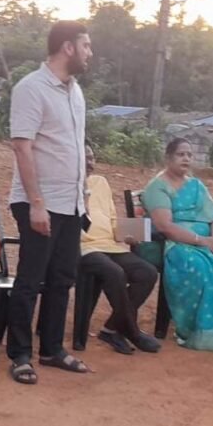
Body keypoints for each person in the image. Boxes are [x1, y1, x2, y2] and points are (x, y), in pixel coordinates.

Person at [5, 20, 93, 384]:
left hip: (70, 203)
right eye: (86, 46)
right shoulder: (31, 88)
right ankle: (20, 355)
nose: (90, 53)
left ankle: (52, 349)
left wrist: (83, 190)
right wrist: (36, 203)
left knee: (62, 279)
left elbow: (73, 144)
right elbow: (22, 147)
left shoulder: (75, 91)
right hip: (40, 203)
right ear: (68, 47)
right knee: (31, 280)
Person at [142, 138, 213, 352]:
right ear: (168, 158)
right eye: (180, 154)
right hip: (177, 243)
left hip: (208, 241)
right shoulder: (157, 187)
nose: (186, 158)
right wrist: (201, 240)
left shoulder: (196, 185)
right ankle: (198, 328)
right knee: (201, 267)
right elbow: (165, 226)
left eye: (189, 154)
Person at [80, 146, 161, 354]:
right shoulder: (66, 185)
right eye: (85, 158)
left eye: (92, 158)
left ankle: (112, 328)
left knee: (147, 272)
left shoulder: (100, 182)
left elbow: (113, 221)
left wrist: (131, 233)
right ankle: (132, 331)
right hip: (83, 247)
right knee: (115, 273)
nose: (90, 163)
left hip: (109, 245)